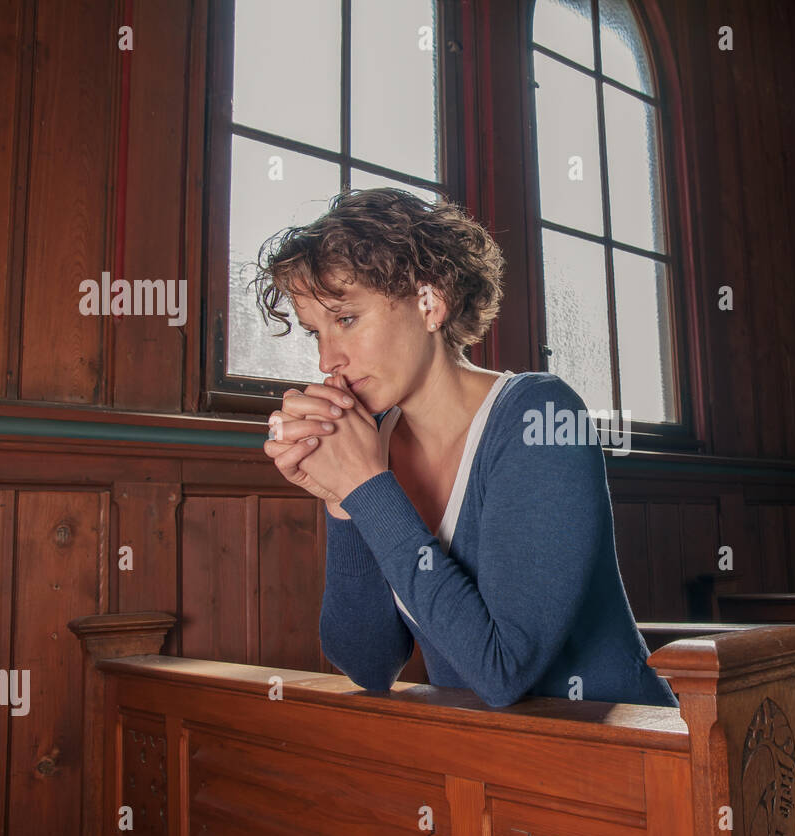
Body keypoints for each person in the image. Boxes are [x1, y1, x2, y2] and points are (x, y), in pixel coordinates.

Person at [257, 187, 677, 709]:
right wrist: (342, 500)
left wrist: (366, 487)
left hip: (630, 761)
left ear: (430, 303)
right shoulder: (373, 442)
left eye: (346, 320)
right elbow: (368, 665)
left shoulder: (541, 418)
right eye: (314, 332)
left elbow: (502, 672)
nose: (327, 360)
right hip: (485, 766)